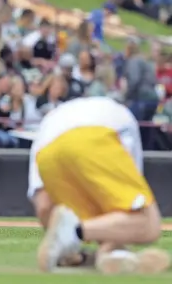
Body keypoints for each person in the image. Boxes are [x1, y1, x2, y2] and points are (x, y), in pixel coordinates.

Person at [28, 96, 169, 274]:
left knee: (90, 224)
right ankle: (77, 233)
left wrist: (67, 251)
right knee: (147, 224)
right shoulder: (117, 112)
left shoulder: (51, 121)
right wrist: (78, 233)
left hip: (47, 150)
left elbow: (44, 206)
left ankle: (108, 255)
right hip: (97, 134)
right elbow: (128, 209)